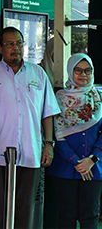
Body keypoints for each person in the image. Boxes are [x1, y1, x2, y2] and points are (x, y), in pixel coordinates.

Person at [0, 26, 59, 229]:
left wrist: (48, 144)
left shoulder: (38, 74)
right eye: (10, 44)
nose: (16, 48)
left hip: (31, 152)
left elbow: (47, 113)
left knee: (24, 210)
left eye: (19, 43)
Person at [49, 53, 102, 229]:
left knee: (90, 217)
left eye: (87, 70)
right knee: (66, 216)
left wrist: (92, 159)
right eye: (78, 70)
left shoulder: (99, 98)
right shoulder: (59, 99)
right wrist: (75, 161)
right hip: (65, 167)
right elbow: (56, 133)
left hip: (94, 167)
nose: (83, 75)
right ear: (70, 71)